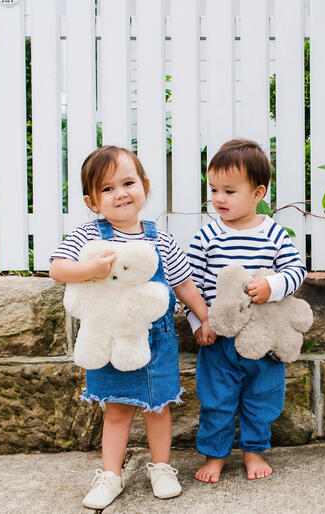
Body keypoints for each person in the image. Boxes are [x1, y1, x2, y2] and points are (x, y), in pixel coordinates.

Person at [49, 145, 211, 510]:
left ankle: (162, 467)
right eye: (107, 189)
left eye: (127, 182)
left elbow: (183, 283)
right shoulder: (88, 236)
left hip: (156, 339)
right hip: (109, 337)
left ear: (145, 186)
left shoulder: (161, 238)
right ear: (92, 201)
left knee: (158, 407)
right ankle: (110, 475)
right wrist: (90, 270)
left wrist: (203, 316)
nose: (120, 193)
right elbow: (57, 268)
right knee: (118, 409)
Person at [185, 139, 307, 483]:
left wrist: (273, 288)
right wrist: (199, 320)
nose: (219, 198)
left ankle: (254, 450)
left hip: (264, 337)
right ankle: (215, 456)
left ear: (257, 193)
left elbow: (296, 272)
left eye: (229, 191)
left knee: (262, 398)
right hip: (219, 338)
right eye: (214, 190)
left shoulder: (274, 234)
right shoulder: (206, 236)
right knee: (216, 400)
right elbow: (189, 283)